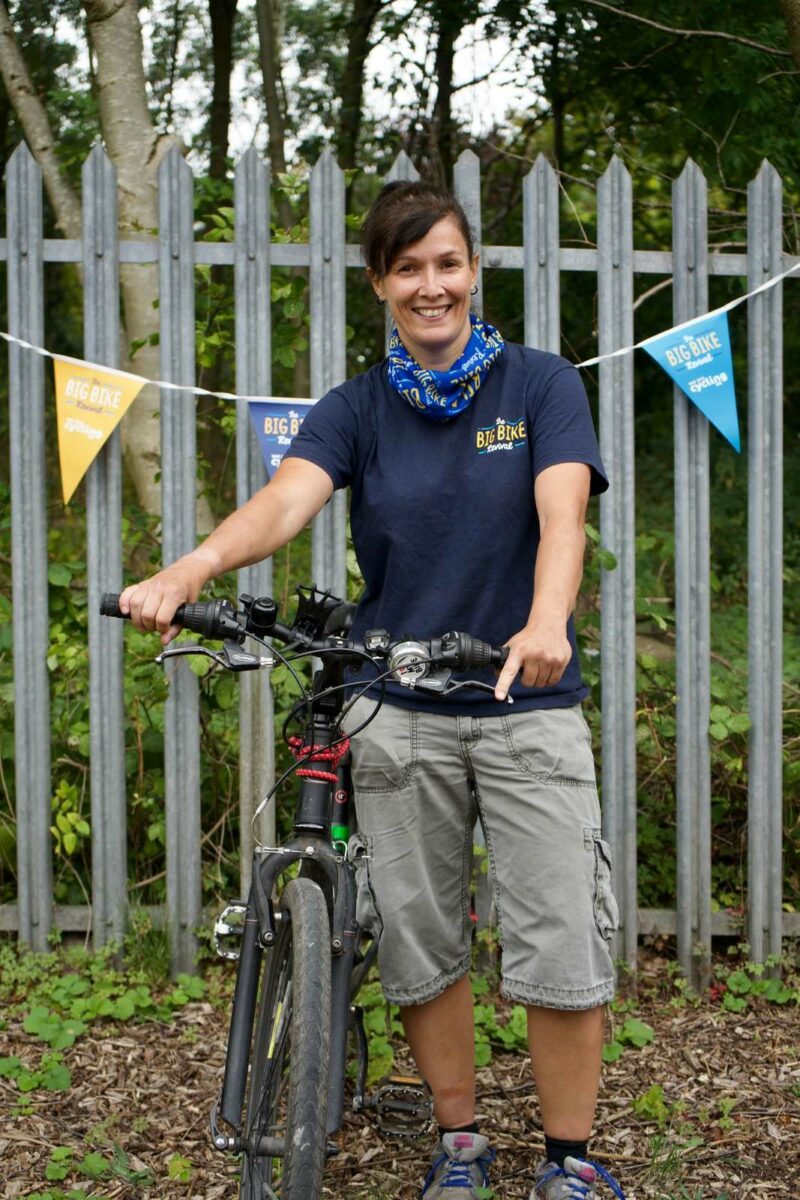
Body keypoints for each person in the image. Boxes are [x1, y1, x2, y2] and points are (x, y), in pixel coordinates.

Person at [120, 181, 624, 1200]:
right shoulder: (355, 409)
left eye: (446, 263)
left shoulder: (537, 386)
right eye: (407, 269)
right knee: (421, 942)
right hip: (394, 705)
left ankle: (570, 1162)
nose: (430, 285)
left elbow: (560, 515)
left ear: (472, 270)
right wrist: (191, 570)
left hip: (521, 703)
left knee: (560, 930)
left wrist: (545, 621)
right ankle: (461, 1146)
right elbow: (280, 504)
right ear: (379, 285)